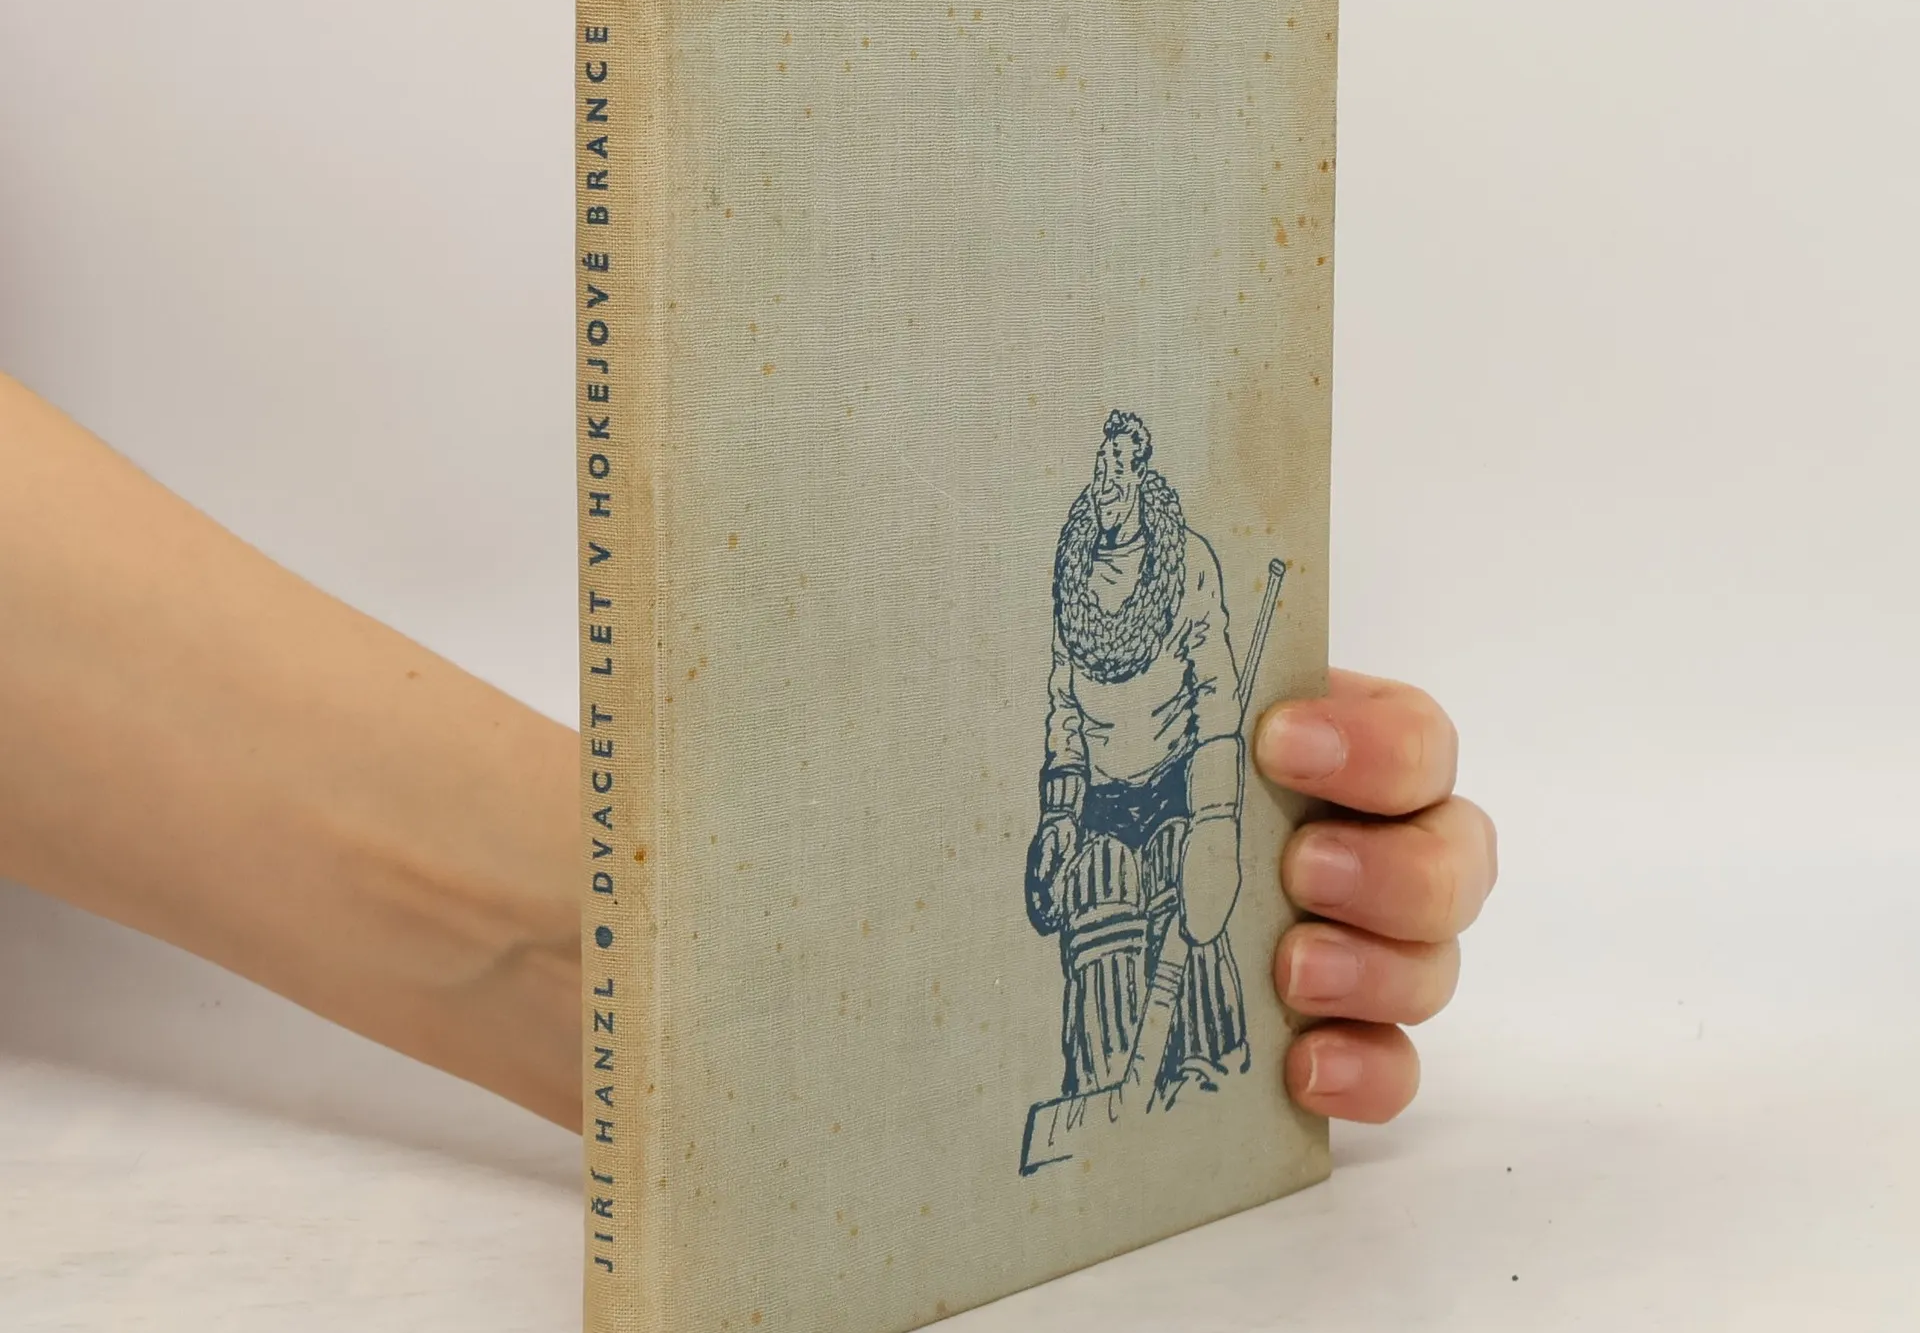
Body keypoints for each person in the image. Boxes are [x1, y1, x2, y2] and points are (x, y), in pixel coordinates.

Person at [0, 368, 1496, 1131]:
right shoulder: (1077, 583)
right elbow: (1061, 709)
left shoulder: (1189, 572)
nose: (1107, 513)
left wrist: (1221, 809)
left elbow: (1188, 694)